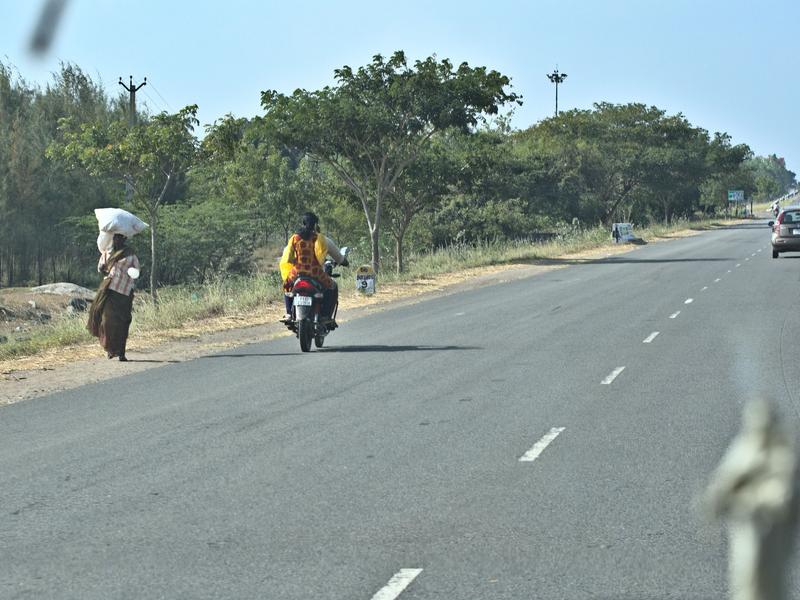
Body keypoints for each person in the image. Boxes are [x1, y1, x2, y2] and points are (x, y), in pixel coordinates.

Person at [279, 212, 348, 324]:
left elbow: (288, 257)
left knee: (287, 285)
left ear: (303, 223)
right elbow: (321, 256)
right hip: (315, 272)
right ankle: (325, 315)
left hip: (297, 272)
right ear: (316, 225)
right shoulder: (319, 238)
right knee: (332, 286)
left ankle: (288, 313)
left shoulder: (294, 238)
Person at [87, 233, 140, 361]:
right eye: (116, 237)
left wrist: (131, 272)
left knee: (123, 322)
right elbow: (100, 267)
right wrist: (104, 268)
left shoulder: (130, 254)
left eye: (120, 238)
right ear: (112, 239)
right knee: (107, 322)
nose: (117, 240)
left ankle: (121, 352)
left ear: (124, 239)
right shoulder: (107, 253)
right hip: (109, 290)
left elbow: (137, 271)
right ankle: (111, 349)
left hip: (124, 292)